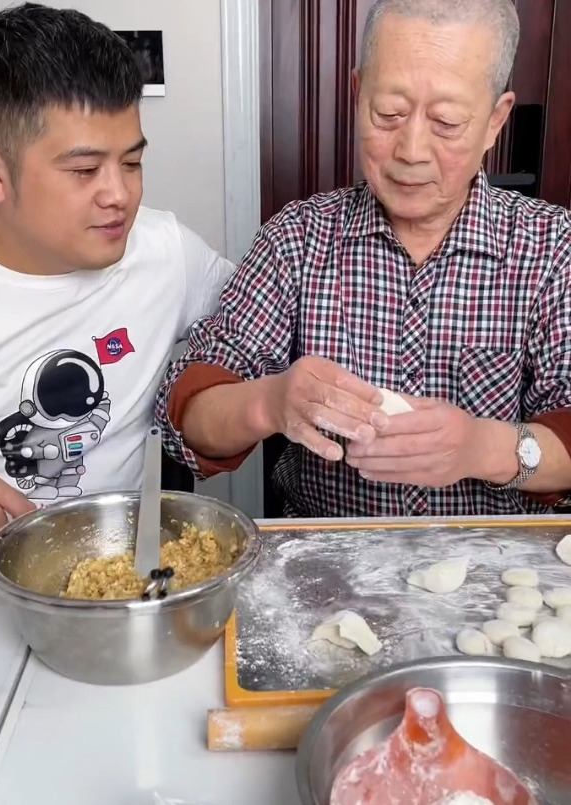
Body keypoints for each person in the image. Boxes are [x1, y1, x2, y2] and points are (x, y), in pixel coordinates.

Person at [157, 0, 571, 518]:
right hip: (324, 564)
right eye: (389, 114)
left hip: (495, 575)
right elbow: (189, 413)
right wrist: (270, 402)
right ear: (357, 95)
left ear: (494, 121)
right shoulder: (299, 239)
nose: (412, 149)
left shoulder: (553, 247)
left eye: (446, 122)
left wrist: (482, 448)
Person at [0, 3, 234, 550]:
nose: (119, 195)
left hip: (122, 583)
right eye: (84, 171)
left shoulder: (166, 253)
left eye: (131, 163)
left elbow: (268, 312)